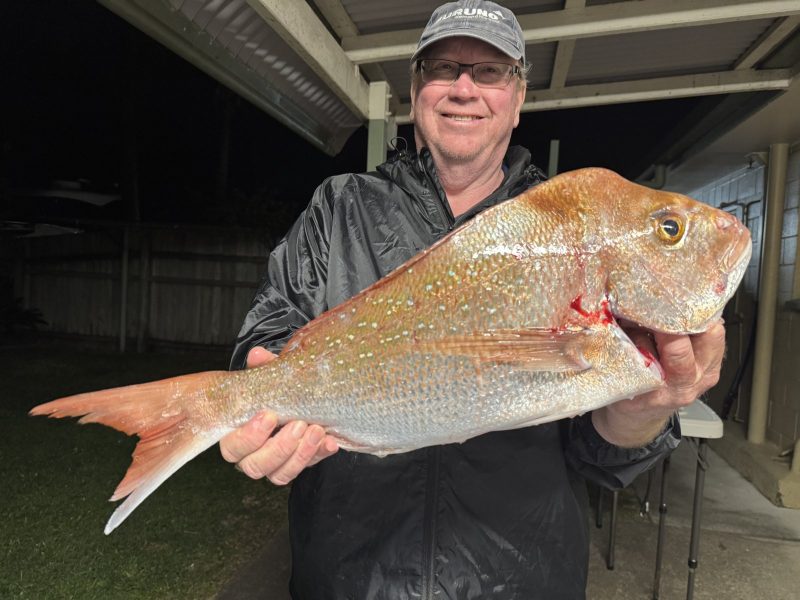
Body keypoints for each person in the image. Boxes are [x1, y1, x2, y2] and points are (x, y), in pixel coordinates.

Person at [220, 1, 727, 598]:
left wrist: (644, 411)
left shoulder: (569, 229)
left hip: (520, 580)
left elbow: (597, 455)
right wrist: (258, 407)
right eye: (443, 68)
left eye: (490, 72)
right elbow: (268, 335)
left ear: (518, 98)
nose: (464, 88)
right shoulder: (339, 208)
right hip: (349, 577)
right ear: (416, 91)